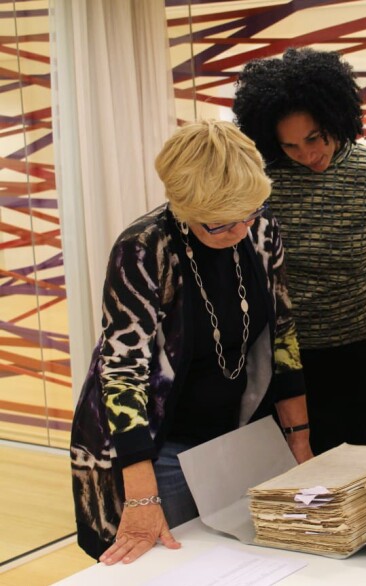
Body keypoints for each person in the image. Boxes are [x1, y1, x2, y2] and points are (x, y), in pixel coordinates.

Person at [69, 120, 313, 563]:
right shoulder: (144, 248)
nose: (239, 231)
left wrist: (299, 442)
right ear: (184, 206)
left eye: (249, 214)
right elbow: (123, 368)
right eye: (219, 224)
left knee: (246, 561)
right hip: (161, 447)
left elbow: (283, 333)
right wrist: (141, 495)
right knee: (175, 565)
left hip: (235, 439)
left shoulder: (260, 229)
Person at [233, 48, 366, 455]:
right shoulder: (261, 182)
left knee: (365, 471)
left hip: (354, 355)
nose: (307, 155)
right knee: (293, 484)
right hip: (281, 357)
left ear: (336, 117)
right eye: (290, 146)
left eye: (314, 138)